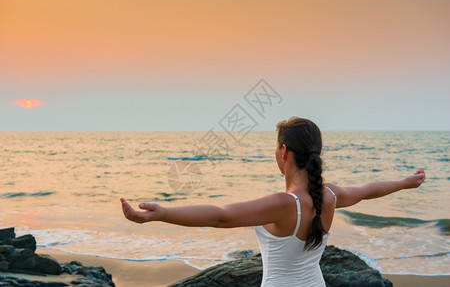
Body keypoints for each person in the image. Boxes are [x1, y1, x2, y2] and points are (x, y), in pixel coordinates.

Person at [120, 117, 426, 286]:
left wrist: (162, 213)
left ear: (283, 152)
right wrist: (404, 183)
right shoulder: (330, 195)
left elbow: (220, 216)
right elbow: (368, 189)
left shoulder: (284, 205)